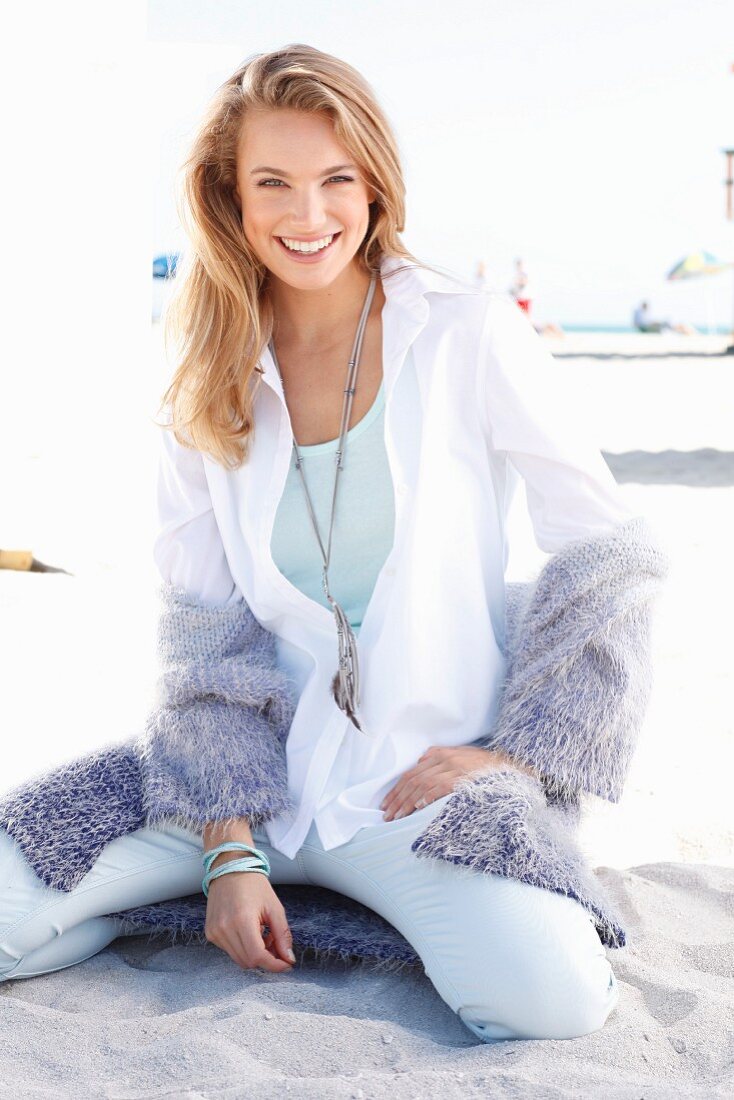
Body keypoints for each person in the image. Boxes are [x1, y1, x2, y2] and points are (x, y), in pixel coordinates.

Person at [0, 45, 668, 1043]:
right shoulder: (203, 377)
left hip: (414, 789)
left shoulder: (465, 333)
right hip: (243, 788)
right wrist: (227, 852)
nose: (307, 215)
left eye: (333, 181)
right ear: (229, 198)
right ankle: (212, 892)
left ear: (374, 186)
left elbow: (606, 558)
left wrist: (512, 755)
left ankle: (351, 892)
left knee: (547, 999)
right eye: (272, 183)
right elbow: (206, 641)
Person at [633, 301, 698, 335]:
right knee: (668, 323)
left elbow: (642, 322)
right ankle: (684, 330)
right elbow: (643, 323)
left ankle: (684, 329)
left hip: (649, 327)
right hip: (647, 327)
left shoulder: (642, 312)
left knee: (668, 323)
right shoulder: (639, 312)